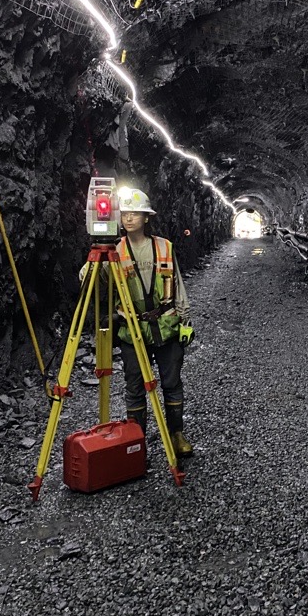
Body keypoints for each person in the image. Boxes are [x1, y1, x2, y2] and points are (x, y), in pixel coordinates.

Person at [111, 186, 194, 457]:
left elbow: (178, 285)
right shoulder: (114, 252)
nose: (129, 218)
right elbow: (96, 284)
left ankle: (176, 434)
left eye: (135, 213)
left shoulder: (164, 247)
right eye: (125, 214)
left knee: (171, 382)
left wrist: (185, 320)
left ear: (146, 218)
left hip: (166, 326)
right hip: (132, 329)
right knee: (134, 387)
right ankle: (137, 441)